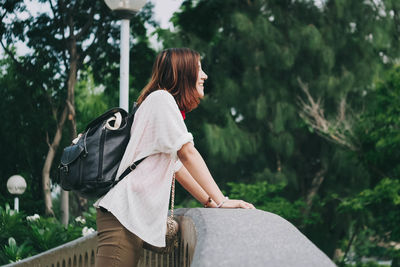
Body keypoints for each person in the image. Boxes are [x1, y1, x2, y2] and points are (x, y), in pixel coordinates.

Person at [94, 48, 255, 267]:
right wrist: (222, 200)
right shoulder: (161, 99)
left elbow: (177, 168)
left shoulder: (156, 102)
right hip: (123, 218)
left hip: (127, 219)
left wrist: (209, 203)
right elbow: (187, 153)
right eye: (199, 69)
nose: (205, 75)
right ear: (183, 72)